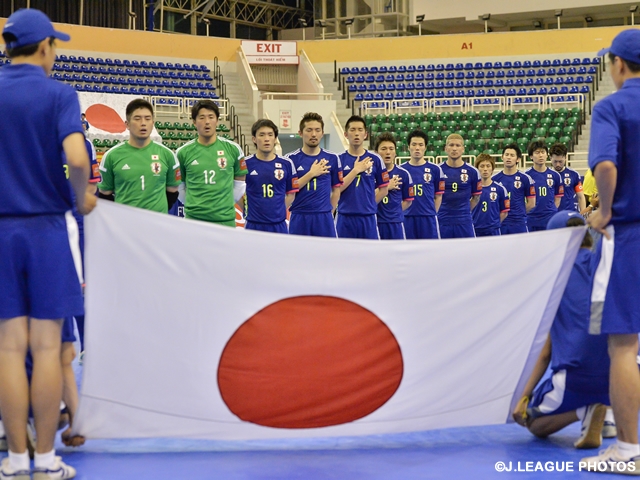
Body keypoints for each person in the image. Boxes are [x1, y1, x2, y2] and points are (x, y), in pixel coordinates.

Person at [0, 8, 96, 479]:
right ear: (44, 48)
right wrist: (84, 198)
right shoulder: (58, 93)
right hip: (45, 231)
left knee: (9, 350)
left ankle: (14, 461)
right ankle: (44, 458)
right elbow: (78, 158)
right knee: (46, 345)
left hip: (0, 231)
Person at [581, 29, 640, 473]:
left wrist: (602, 213)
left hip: (630, 234)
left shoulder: (611, 107)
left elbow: (605, 165)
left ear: (619, 65)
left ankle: (627, 448)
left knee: (623, 344)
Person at [513, 211, 612, 449]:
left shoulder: (554, 275)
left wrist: (522, 396)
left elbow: (545, 351)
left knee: (533, 424)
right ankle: (610, 410)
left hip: (578, 373)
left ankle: (585, 410)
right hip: (622, 367)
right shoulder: (605, 264)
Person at [98, 98, 181, 212]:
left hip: (157, 225)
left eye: (147, 119)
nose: (143, 123)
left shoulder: (167, 155)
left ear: (153, 123)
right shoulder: (111, 156)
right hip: (124, 226)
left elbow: (172, 191)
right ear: (127, 124)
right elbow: (105, 195)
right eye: (137, 119)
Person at [176, 100, 247, 226]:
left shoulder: (233, 149)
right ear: (194, 121)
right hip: (194, 221)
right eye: (201, 118)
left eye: (211, 117)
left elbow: (240, 183)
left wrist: (225, 204)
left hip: (225, 221)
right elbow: (179, 186)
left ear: (217, 120)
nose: (207, 122)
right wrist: (193, 205)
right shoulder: (182, 152)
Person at [286, 112, 343, 237]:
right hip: (299, 215)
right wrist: (312, 173)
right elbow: (289, 189)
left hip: (324, 217)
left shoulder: (332, 158)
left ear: (322, 133)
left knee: (326, 255)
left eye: (317, 130)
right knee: (298, 255)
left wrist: (329, 212)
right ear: (300, 133)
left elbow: (336, 191)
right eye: (309, 130)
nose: (313, 134)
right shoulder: (290, 159)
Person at [336, 115, 389, 239]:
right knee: (344, 256)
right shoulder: (338, 160)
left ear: (365, 135)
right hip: (345, 217)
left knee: (371, 256)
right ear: (345, 134)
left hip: (368, 218)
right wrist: (355, 170)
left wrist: (368, 204)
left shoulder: (376, 159)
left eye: (360, 130)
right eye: (352, 130)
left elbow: (384, 190)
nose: (356, 134)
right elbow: (336, 190)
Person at [243, 119, 299, 233]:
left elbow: (291, 194)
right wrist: (247, 210)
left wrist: (279, 211)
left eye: (270, 135)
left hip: (278, 225)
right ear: (254, 139)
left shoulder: (287, 163)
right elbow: (237, 189)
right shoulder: (246, 163)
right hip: (253, 224)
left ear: (275, 139)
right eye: (262, 135)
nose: (266, 139)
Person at [402, 130, 445, 239]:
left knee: (431, 252)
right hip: (407, 217)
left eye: (421, 145)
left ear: (425, 148)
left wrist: (431, 213)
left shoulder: (435, 169)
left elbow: (439, 196)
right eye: (414, 144)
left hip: (428, 218)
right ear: (408, 147)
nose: (417, 148)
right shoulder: (401, 170)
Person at [438, 134, 481, 238]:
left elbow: (476, 198)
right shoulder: (437, 170)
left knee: (467, 252)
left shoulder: (473, 172)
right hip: (442, 221)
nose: (454, 148)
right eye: (451, 145)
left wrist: (463, 211)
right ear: (446, 148)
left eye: (458, 145)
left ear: (463, 149)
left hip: (464, 221)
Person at [374, 133, 414, 240]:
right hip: (375, 222)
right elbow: (366, 199)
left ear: (395, 152)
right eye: (384, 148)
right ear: (376, 152)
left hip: (396, 223)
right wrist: (386, 186)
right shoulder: (370, 173)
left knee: (398, 255)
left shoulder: (403, 174)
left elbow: (408, 200)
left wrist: (395, 211)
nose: (388, 152)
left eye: (391, 149)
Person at [492, 144, 536, 235]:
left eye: (512, 155)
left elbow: (532, 203)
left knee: (521, 249)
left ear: (518, 159)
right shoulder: (494, 179)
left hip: (519, 223)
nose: (509, 158)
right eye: (506, 155)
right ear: (502, 157)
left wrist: (519, 214)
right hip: (501, 223)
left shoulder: (525, 178)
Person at [524, 140, 564, 232]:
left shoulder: (555, 175)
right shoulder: (526, 176)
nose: (540, 155)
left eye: (543, 152)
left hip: (550, 218)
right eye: (537, 153)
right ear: (531, 156)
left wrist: (550, 211)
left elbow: (558, 198)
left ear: (547, 155)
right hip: (532, 219)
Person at [471, 154, 510, 236]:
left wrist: (494, 224)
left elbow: (504, 212)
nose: (485, 169)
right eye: (482, 166)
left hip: (493, 231)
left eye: (488, 166)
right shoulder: (471, 189)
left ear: (492, 169)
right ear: (477, 169)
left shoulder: (500, 189)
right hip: (474, 229)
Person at [550, 143, 586, 213]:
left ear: (566, 157)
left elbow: (581, 197)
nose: (558, 164)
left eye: (560, 161)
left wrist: (583, 214)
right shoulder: (546, 175)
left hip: (570, 215)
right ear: (550, 157)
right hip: (551, 216)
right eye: (555, 161)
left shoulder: (574, 175)